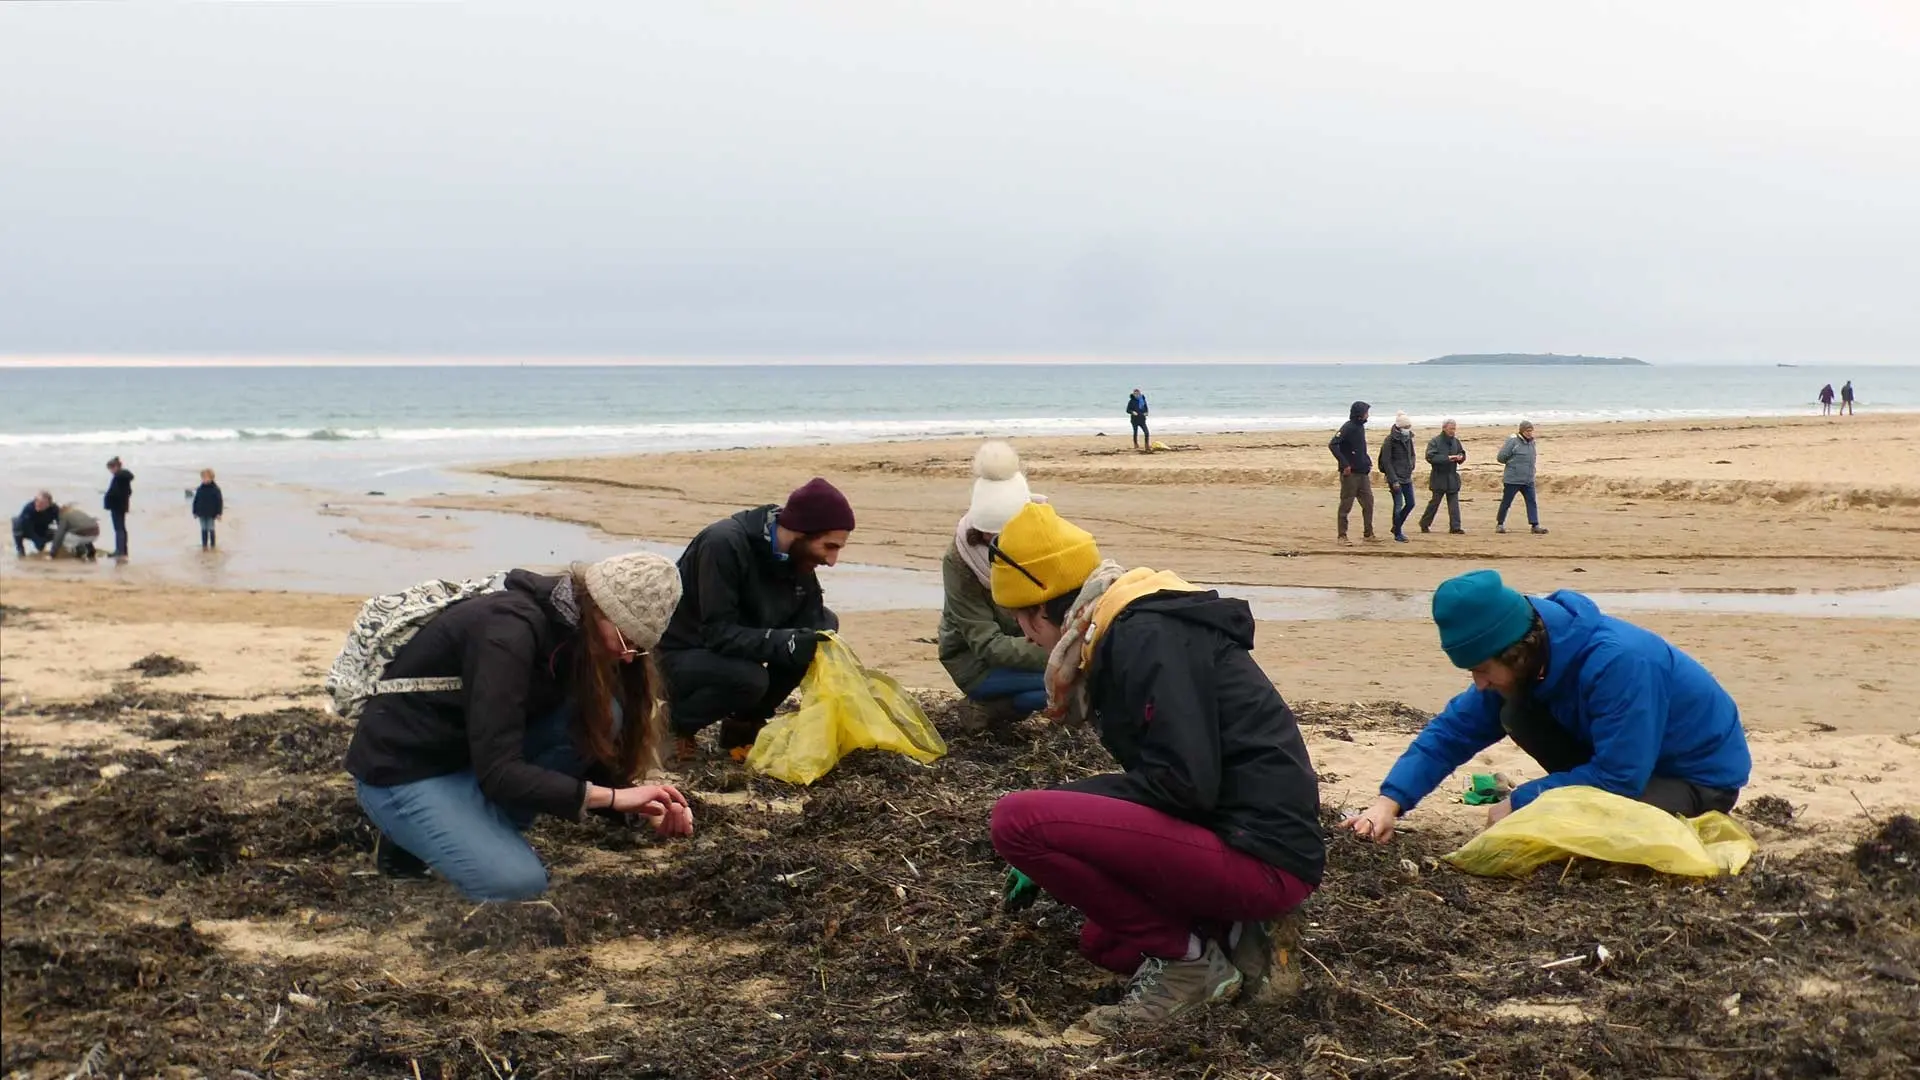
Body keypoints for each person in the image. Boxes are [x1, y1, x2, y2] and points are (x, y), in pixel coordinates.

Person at [986, 502, 1325, 1042]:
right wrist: (1079, 812)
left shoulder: (1144, 635)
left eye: (1020, 621)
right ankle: (1241, 937)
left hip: (1263, 852)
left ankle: (1192, 963)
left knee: (1016, 822)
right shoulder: (1125, 627)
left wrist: (1064, 805)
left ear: (1035, 612)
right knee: (1105, 943)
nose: (1026, 638)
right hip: (1241, 835)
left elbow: (1183, 784)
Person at [344, 553, 693, 900]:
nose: (629, 657)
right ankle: (413, 838)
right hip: (402, 769)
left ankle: (464, 830)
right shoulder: (508, 632)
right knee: (516, 884)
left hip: (464, 755)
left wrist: (640, 809)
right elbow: (499, 771)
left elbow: (571, 747)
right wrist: (614, 798)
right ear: (598, 607)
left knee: (606, 714)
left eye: (640, 649)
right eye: (626, 639)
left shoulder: (575, 636)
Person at [1344, 569, 1752, 845]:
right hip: (1627, 761)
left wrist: (1522, 800)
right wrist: (1389, 801)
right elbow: (1453, 733)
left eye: (1483, 670)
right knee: (1513, 711)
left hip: (1697, 780)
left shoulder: (1620, 663)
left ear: (1517, 652)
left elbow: (1620, 776)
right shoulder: (1530, 661)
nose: (1478, 683)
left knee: (1566, 831)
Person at [658, 477, 853, 760]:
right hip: (679, 652)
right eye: (829, 546)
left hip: (729, 647)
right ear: (801, 531)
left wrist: (814, 638)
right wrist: (785, 642)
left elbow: (810, 618)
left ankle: (743, 725)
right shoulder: (723, 543)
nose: (832, 560)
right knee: (751, 678)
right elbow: (717, 633)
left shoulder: (796, 557)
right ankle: (672, 726)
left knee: (822, 628)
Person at [939, 442, 1049, 726]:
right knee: (1062, 684)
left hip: (1033, 645)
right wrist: (1058, 651)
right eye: (993, 535)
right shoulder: (959, 562)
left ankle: (997, 707)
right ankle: (987, 709)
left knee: (1074, 679)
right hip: (977, 663)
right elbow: (988, 645)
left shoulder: (1044, 539)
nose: (1000, 544)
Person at [1329, 400, 1376, 542]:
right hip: (1350, 474)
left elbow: (1359, 448)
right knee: (1346, 504)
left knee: (1368, 503)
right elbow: (1333, 444)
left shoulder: (1360, 427)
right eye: (1366, 412)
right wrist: (1345, 464)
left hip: (1363, 472)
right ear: (1360, 414)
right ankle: (1342, 535)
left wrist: (1367, 461)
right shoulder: (1348, 427)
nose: (1368, 415)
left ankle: (1368, 533)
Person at [1494, 421, 1547, 535]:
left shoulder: (1532, 442)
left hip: (1528, 479)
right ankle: (1500, 524)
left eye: (1531, 431)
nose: (1529, 433)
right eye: (1527, 431)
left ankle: (1535, 525)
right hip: (1513, 479)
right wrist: (1513, 464)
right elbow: (1501, 458)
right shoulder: (1513, 441)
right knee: (1506, 502)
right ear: (1522, 431)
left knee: (1531, 501)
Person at [1419, 419, 1468, 535]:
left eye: (1454, 429)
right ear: (1444, 428)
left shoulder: (1456, 441)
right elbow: (1430, 457)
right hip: (1438, 477)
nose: (1453, 431)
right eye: (1451, 428)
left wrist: (1461, 457)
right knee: (1434, 503)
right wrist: (1448, 458)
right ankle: (1424, 523)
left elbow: (1462, 452)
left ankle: (1455, 527)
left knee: (1454, 504)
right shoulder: (1435, 441)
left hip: (1452, 477)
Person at [1378, 412, 1418, 543]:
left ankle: (1396, 526)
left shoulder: (1409, 439)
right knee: (1398, 505)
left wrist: (1412, 465)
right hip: (1395, 478)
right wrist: (1393, 480)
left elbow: (1412, 454)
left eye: (1409, 426)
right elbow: (1386, 461)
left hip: (1407, 476)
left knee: (1411, 503)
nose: (1407, 429)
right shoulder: (1389, 440)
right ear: (1399, 427)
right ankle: (1398, 533)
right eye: (1405, 427)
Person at [104, 457, 134, 559]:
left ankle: (120, 551)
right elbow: (129, 492)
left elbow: (116, 493)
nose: (111, 471)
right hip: (122, 505)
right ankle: (122, 550)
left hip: (117, 506)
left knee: (119, 529)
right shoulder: (123, 478)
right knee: (121, 529)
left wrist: (109, 498)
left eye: (111, 468)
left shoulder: (119, 477)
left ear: (116, 467)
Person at [13, 491, 58, 557]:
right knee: (17, 524)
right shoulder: (29, 508)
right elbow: (27, 527)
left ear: (49, 504)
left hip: (41, 528)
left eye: (42, 503)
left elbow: (60, 524)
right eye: (36, 501)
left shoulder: (54, 509)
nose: (37, 504)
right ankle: (20, 551)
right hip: (26, 529)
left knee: (58, 534)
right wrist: (36, 540)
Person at [189, 469, 224, 550]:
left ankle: (213, 545)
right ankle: (204, 545)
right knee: (203, 529)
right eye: (203, 478)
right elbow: (196, 501)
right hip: (201, 513)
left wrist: (219, 513)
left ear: (211, 478)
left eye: (207, 478)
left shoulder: (215, 489)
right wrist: (194, 512)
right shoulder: (200, 489)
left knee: (211, 528)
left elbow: (219, 501)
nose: (205, 480)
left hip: (211, 513)